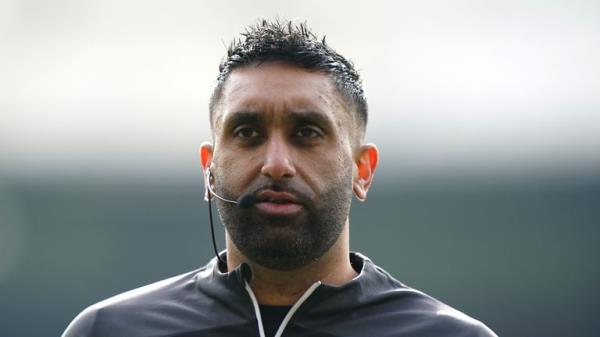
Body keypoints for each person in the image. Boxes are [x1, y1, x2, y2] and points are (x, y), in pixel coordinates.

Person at [62, 19, 497, 337]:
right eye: (247, 132)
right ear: (209, 168)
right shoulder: (109, 330)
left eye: (307, 133)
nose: (276, 163)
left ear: (362, 171)